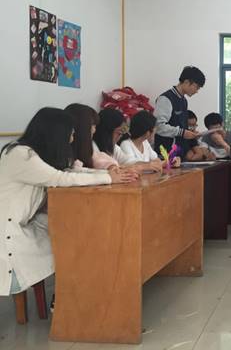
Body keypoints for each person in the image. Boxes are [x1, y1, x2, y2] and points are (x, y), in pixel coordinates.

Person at [0, 108, 137, 297]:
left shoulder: (36, 154)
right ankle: (69, 297)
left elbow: (70, 170)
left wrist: (109, 174)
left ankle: (75, 294)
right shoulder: (22, 155)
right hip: (9, 231)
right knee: (72, 244)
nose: (72, 139)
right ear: (56, 135)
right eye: (70, 134)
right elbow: (59, 178)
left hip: (26, 223)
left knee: (77, 238)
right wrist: (108, 178)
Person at [154, 66, 206, 153]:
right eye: (196, 87)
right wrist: (182, 132)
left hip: (179, 151)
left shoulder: (183, 100)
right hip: (166, 151)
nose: (197, 91)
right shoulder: (165, 99)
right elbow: (159, 127)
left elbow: (181, 126)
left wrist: (191, 133)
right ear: (186, 82)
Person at [64, 103, 100, 170]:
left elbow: (99, 158)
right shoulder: (64, 156)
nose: (94, 130)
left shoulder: (91, 147)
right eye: (92, 125)